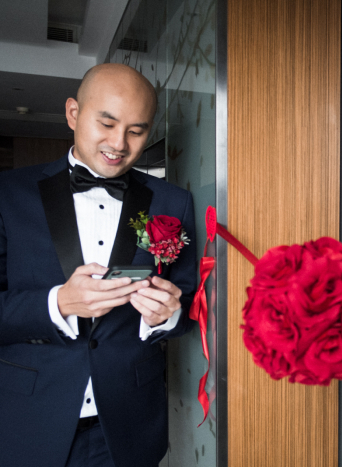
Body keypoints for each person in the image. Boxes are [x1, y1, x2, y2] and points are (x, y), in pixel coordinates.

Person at [0, 64, 196, 467]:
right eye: (106, 123)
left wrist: (167, 316)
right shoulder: (8, 194)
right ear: (73, 113)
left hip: (128, 428)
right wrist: (58, 304)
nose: (118, 143)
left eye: (136, 130)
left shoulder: (173, 203)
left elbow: (190, 302)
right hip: (28, 424)